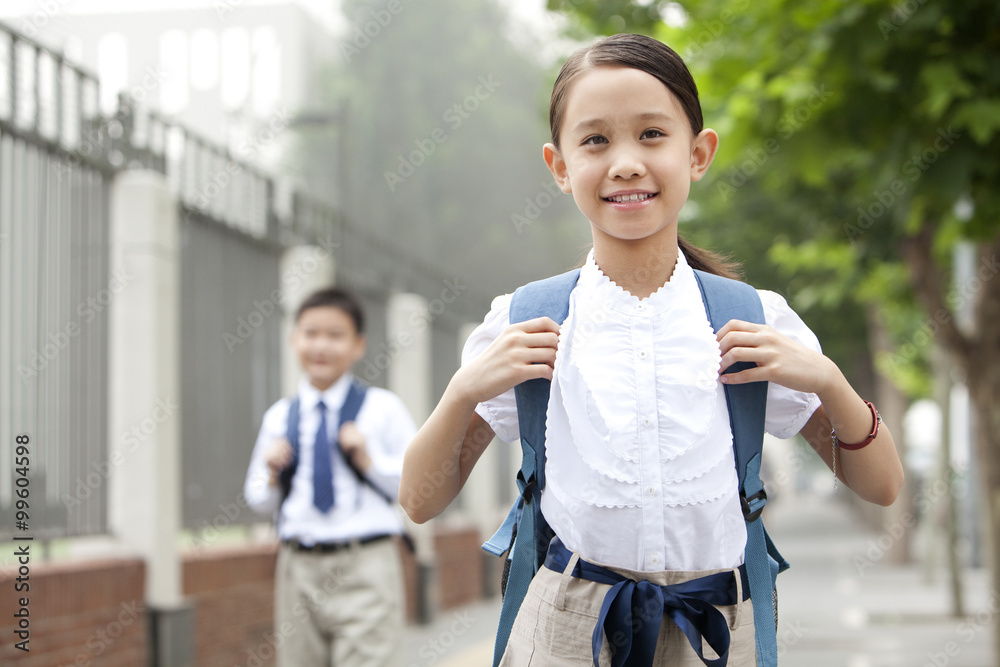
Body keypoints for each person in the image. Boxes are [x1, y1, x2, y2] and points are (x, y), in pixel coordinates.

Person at [400, 33, 904, 667]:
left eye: (651, 135)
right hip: (566, 631)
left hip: (717, 631)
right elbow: (419, 502)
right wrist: (463, 390)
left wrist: (829, 381)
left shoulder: (753, 320)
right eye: (595, 141)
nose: (626, 163)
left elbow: (882, 485)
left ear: (698, 154)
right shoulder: (527, 322)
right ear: (559, 168)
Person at [244, 287, 415, 667]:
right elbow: (258, 499)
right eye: (311, 333)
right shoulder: (279, 417)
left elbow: (417, 488)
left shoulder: (382, 409)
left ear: (358, 345)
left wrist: (368, 459)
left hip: (365, 564)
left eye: (335, 335)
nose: (321, 345)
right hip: (298, 567)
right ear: (294, 340)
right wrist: (271, 473)